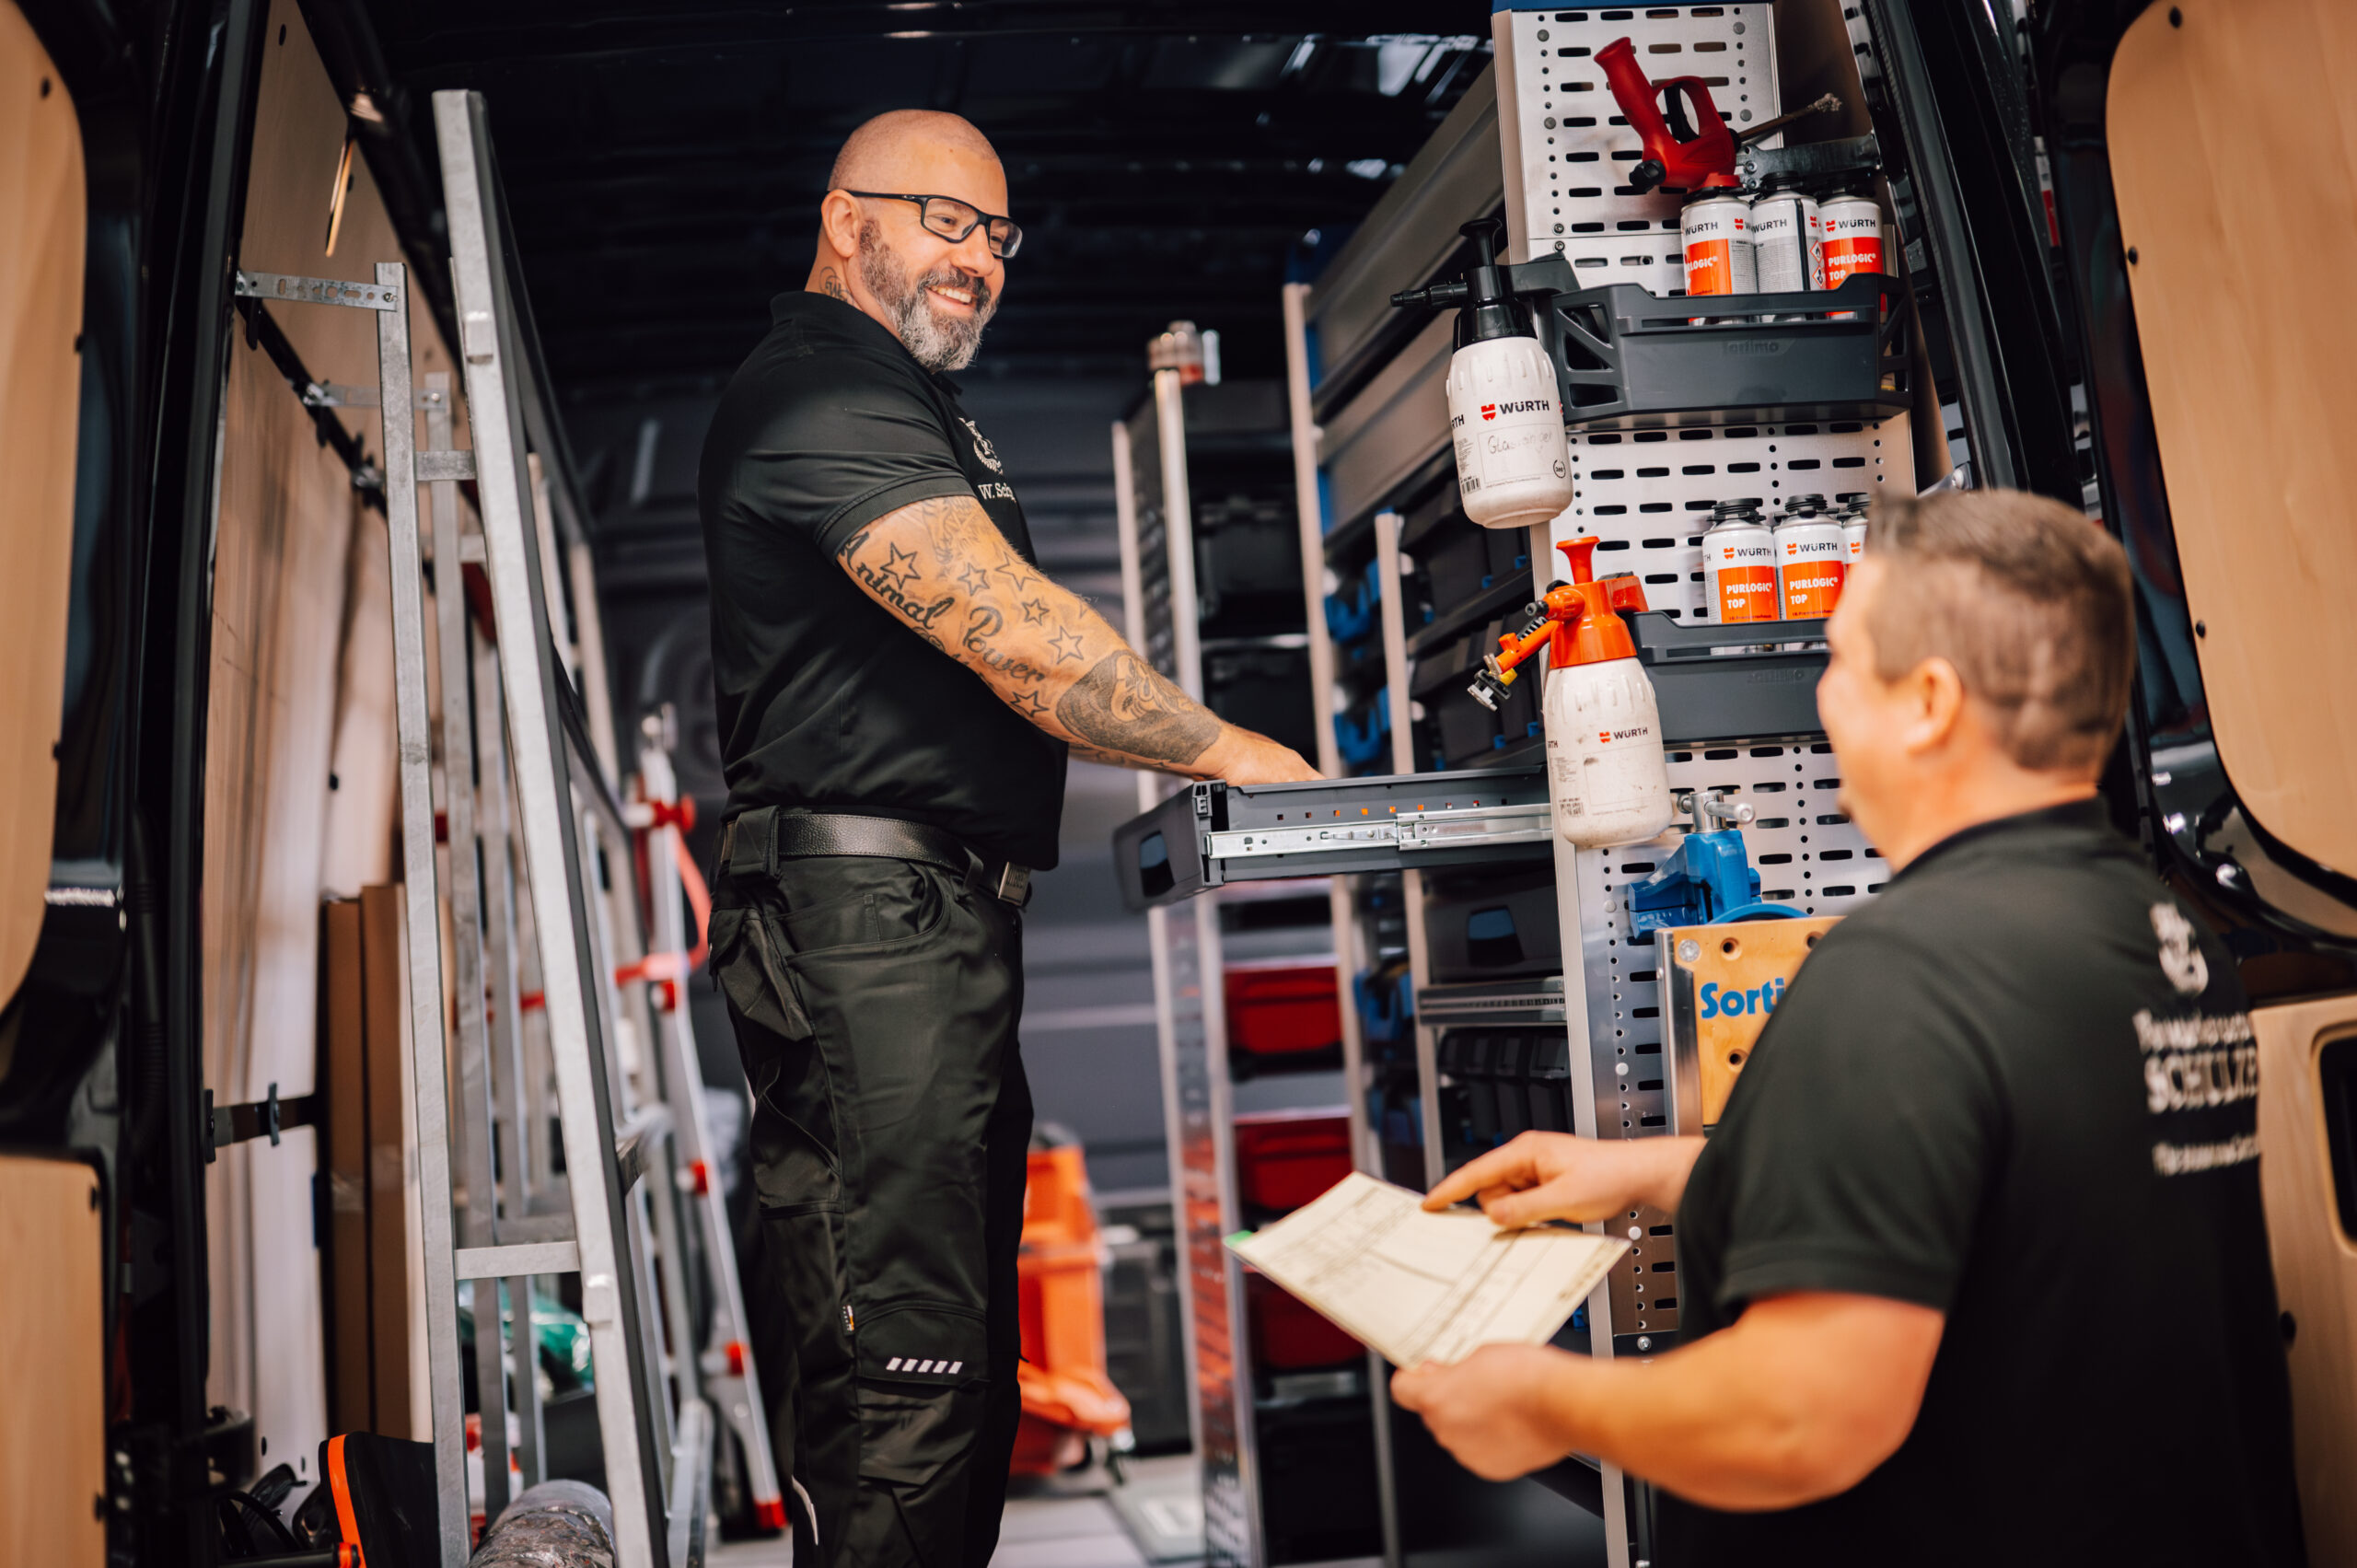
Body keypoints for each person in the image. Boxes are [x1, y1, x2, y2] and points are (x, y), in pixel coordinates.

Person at [1389, 488, 2304, 1565]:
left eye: (1836, 654)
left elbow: (1805, 1414)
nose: (1823, 694)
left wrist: (1544, 1399)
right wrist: (1662, 1171)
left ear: (1926, 699)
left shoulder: (1905, 975)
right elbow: (2017, 1191)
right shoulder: (2157, 934)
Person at [697, 109, 1316, 1566]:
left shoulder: (908, 397)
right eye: (942, 222)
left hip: (927, 927)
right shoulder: (819, 389)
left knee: (955, 1363)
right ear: (847, 220)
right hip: (868, 932)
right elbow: (1017, 635)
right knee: (901, 1375)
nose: (977, 261)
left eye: (997, 235)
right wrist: (1232, 749)